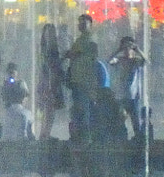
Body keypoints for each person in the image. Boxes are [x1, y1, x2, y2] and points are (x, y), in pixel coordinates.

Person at [65, 15, 101, 144]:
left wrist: (75, 54)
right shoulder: (80, 40)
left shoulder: (91, 39)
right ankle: (80, 136)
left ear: (90, 24)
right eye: (79, 22)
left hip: (85, 81)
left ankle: (86, 138)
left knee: (84, 109)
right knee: (79, 109)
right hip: (77, 80)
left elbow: (91, 55)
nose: (81, 25)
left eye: (84, 23)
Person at [107, 34, 145, 142]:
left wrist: (137, 50)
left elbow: (146, 61)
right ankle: (122, 139)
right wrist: (118, 50)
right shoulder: (119, 60)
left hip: (134, 97)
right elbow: (109, 60)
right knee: (120, 119)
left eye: (129, 47)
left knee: (136, 121)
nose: (127, 50)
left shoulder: (136, 61)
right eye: (125, 47)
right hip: (122, 97)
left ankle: (138, 140)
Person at [36, 23, 64, 141]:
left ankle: (46, 133)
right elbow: (47, 68)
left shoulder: (52, 50)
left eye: (51, 34)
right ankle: (44, 134)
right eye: (47, 34)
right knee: (48, 109)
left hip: (51, 82)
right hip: (48, 83)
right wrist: (48, 85)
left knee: (50, 110)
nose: (49, 36)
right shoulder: (47, 51)